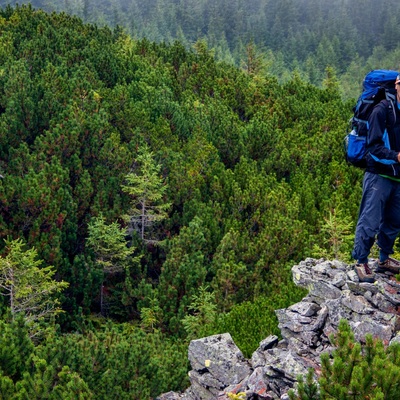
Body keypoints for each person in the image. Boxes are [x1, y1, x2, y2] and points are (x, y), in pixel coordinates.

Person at [352, 74, 400, 282]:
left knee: (394, 221)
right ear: (397, 85)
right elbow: (373, 147)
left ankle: (383, 260)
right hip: (378, 174)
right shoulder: (382, 110)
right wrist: (396, 156)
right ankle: (361, 262)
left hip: (398, 176)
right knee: (370, 220)